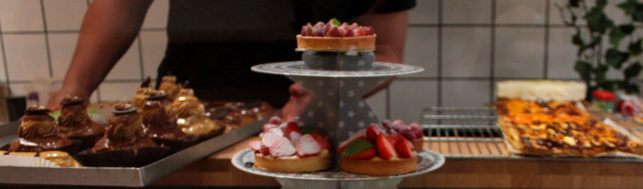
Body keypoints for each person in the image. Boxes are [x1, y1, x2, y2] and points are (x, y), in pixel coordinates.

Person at [46, 0, 415, 115]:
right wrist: (75, 85)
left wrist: (327, 93)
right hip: (184, 119)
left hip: (308, 122)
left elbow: (386, 51)